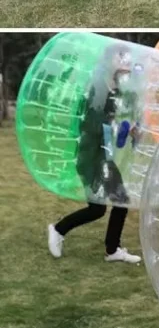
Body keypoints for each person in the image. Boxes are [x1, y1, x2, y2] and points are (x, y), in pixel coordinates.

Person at [47, 49, 142, 265]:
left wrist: (131, 128)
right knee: (100, 208)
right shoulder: (97, 88)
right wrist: (118, 128)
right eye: (121, 57)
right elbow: (93, 124)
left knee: (118, 202)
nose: (127, 62)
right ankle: (58, 230)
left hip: (103, 157)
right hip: (90, 156)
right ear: (109, 62)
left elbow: (116, 119)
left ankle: (112, 249)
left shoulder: (116, 91)